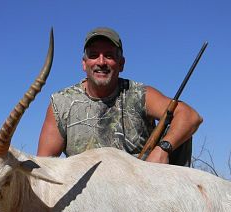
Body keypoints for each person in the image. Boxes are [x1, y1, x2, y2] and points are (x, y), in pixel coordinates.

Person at [37, 27, 203, 166]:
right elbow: (43, 166)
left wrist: (162, 149)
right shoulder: (61, 103)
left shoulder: (139, 94)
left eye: (109, 55)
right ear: (84, 63)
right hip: (87, 198)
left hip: (142, 190)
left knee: (177, 134)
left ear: (121, 63)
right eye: (94, 55)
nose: (101, 62)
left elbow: (190, 116)